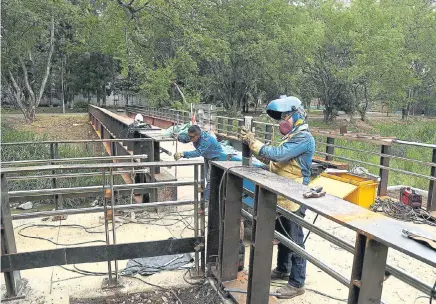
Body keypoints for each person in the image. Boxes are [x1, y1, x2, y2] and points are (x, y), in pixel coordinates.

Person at [239, 95, 315, 299]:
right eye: (281, 117)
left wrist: (253, 141)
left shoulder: (303, 138)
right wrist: (253, 146)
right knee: (282, 235)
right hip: (282, 194)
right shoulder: (290, 137)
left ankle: (297, 282)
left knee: (295, 241)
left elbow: (278, 154)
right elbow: (270, 157)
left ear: (297, 115)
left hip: (294, 196)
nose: (282, 121)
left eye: (286, 116)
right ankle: (283, 269)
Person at [174, 125, 223, 202]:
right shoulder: (193, 136)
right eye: (189, 136)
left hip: (216, 157)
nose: (190, 138)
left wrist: (183, 154)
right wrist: (178, 137)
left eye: (192, 137)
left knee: (210, 179)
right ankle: (206, 193)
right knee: (207, 178)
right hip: (207, 156)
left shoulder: (206, 140)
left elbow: (198, 152)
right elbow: (185, 139)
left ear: (198, 135)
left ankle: (206, 201)